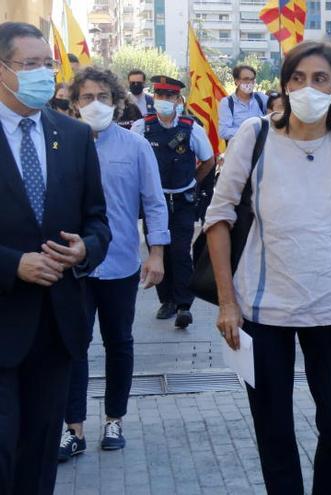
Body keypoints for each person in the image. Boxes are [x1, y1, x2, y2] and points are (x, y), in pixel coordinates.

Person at [205, 41, 331, 495]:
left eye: (320, 78)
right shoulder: (255, 135)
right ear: (283, 85)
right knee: (275, 433)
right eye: (297, 78)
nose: (307, 88)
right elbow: (218, 217)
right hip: (263, 315)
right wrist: (227, 302)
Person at [0, 22, 111, 494]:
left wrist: (86, 249)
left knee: (40, 457)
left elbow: (99, 221)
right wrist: (12, 264)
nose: (43, 74)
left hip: (57, 325)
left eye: (48, 65)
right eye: (30, 65)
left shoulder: (74, 135)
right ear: (3, 71)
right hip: (3, 322)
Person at [58, 67, 169, 461]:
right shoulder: (61, 144)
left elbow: (154, 203)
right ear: (73, 104)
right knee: (74, 345)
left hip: (121, 262)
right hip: (72, 265)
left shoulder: (135, 147)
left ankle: (114, 420)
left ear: (118, 101)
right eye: (86, 98)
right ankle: (73, 428)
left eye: (103, 97)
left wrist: (155, 253)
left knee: (119, 343)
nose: (95, 105)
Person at [131, 76, 216, 328]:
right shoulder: (141, 127)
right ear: (154, 98)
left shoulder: (192, 127)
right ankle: (166, 300)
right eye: (160, 96)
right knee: (159, 250)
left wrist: (194, 182)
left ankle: (183, 305)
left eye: (170, 97)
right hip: (154, 202)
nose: (164, 101)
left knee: (180, 251)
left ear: (179, 100)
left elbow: (208, 160)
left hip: (182, 199)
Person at [219, 64, 267, 142]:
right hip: (238, 150)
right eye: (246, 79)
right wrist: (249, 132)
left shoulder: (261, 98)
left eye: (252, 79)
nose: (249, 82)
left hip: (261, 150)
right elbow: (224, 131)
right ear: (236, 81)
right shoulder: (227, 103)